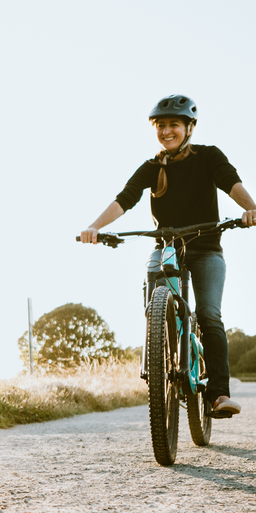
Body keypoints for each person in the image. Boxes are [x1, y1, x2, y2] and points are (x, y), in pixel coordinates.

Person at [79, 95, 256, 417]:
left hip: (205, 250)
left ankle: (218, 394)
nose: (166, 131)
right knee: (155, 304)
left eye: (174, 124)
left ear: (189, 128)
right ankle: (160, 357)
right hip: (167, 248)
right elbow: (125, 199)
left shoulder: (208, 157)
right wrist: (94, 226)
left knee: (209, 315)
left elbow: (231, 183)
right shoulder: (152, 167)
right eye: (161, 126)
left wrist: (251, 209)